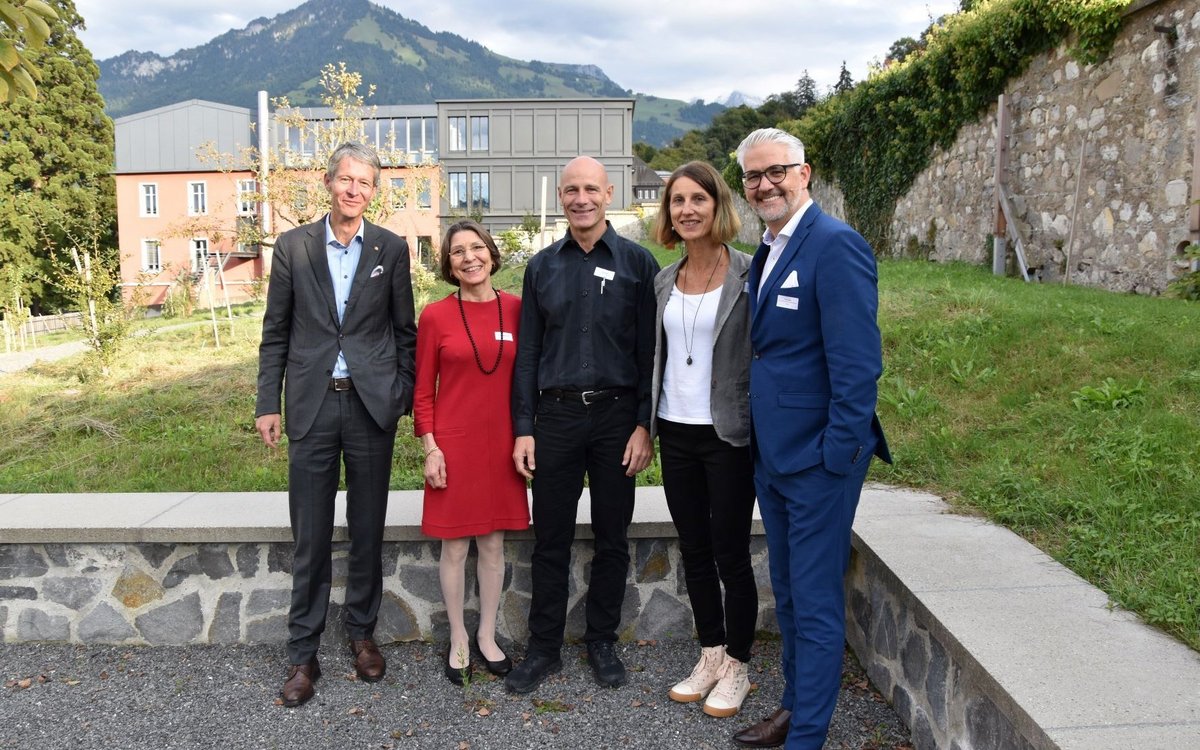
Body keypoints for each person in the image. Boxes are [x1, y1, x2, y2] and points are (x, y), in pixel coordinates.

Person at [729, 129, 890, 749]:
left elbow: (858, 366)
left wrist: (836, 457)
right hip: (774, 455)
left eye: (777, 171)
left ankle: (807, 737)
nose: (764, 184)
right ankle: (794, 709)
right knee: (792, 595)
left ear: (805, 173)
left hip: (819, 461)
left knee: (816, 602)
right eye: (753, 176)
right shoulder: (768, 249)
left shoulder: (835, 244)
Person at [255, 142, 416, 708]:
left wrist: (399, 396)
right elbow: (275, 331)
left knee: (368, 529)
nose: (354, 190)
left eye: (364, 182)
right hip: (312, 405)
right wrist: (268, 403)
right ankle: (303, 653)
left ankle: (362, 635)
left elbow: (405, 331)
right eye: (346, 179)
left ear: (374, 192)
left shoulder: (391, 248)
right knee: (311, 535)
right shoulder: (293, 246)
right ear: (328, 182)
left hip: (371, 407)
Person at [505, 155, 660, 694]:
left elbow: (650, 353)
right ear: (561, 197)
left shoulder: (639, 264)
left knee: (612, 536)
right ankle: (544, 648)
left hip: (618, 418)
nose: (581, 199)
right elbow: (528, 353)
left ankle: (602, 641)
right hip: (557, 417)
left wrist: (644, 425)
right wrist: (523, 427)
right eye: (571, 190)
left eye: (591, 189)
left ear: (609, 193)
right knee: (550, 538)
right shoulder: (542, 267)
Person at [649, 162, 757, 718]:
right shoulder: (663, 280)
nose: (687, 209)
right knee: (693, 548)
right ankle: (711, 654)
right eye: (677, 201)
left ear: (718, 206)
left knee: (729, 552)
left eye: (698, 199)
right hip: (675, 429)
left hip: (729, 433)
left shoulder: (749, 273)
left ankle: (738, 665)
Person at [413, 220, 530, 685]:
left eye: (476, 248)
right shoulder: (435, 316)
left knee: (495, 543)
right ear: (449, 264)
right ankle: (458, 637)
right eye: (458, 251)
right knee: (456, 545)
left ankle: (486, 634)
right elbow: (423, 391)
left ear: (491, 254)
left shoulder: (518, 309)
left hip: (503, 443)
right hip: (454, 445)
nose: (469, 258)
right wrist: (431, 448)